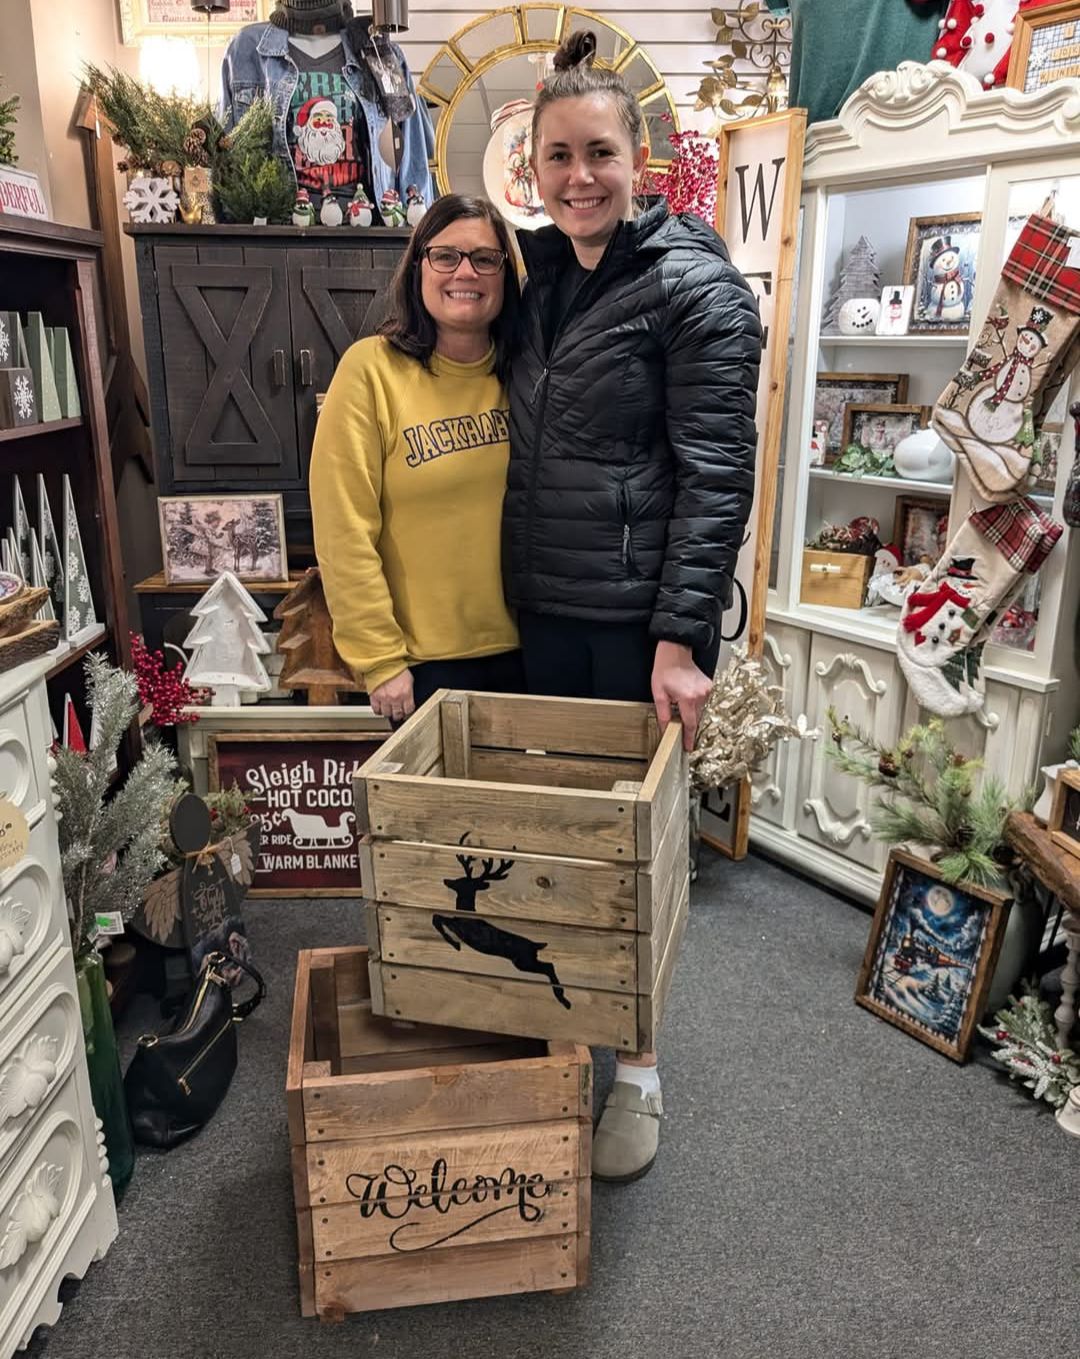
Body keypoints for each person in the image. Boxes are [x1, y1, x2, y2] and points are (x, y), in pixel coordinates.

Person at [505, 32, 762, 1182]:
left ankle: (641, 1075)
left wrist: (682, 640)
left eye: (599, 152)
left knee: (635, 861)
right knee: (554, 849)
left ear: (641, 153)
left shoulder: (694, 288)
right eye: (558, 155)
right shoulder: (543, 273)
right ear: (535, 164)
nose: (579, 176)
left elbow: (717, 477)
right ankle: (566, 1045)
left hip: (634, 628)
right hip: (541, 615)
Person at [310, 194, 524, 719]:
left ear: (505, 274)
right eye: (445, 255)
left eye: (485, 258)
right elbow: (343, 530)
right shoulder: (370, 371)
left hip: (533, 654)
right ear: (418, 266)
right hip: (423, 667)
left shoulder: (526, 373)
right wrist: (380, 660)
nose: (465, 272)